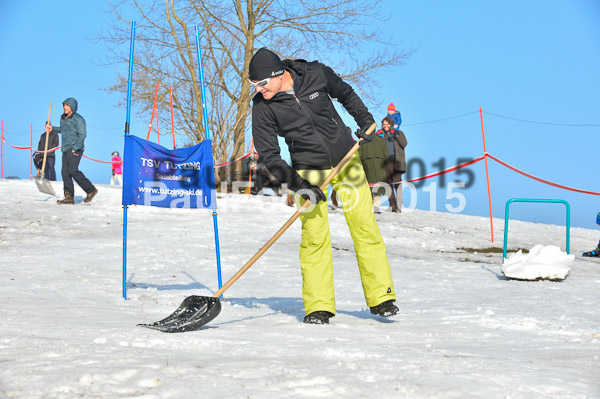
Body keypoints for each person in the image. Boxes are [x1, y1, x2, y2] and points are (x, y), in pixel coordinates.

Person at [249, 47, 398, 324]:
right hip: (308, 169)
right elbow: (269, 155)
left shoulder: (315, 73)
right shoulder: (262, 108)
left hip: (347, 159)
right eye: (253, 85)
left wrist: (365, 120)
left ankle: (382, 298)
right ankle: (319, 306)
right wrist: (299, 184)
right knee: (314, 237)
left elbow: (346, 94)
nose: (258, 90)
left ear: (278, 74)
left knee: (365, 226)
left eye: (261, 83)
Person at [46, 98, 98, 205]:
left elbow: (82, 134)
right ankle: (69, 196)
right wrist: (53, 129)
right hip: (65, 148)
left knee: (73, 170)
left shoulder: (78, 119)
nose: (65, 107)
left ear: (72, 107)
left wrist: (76, 147)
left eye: (67, 106)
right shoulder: (63, 118)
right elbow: (63, 130)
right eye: (64, 105)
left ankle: (90, 190)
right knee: (65, 172)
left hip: (75, 148)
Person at [378, 117, 407, 213]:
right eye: (384, 124)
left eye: (387, 124)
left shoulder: (399, 133)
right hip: (384, 162)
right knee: (388, 184)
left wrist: (397, 136)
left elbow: (404, 144)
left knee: (397, 183)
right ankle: (392, 205)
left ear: (391, 124)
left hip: (396, 161)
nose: (385, 126)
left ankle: (399, 205)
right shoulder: (380, 135)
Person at [358, 133, 388, 213]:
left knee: (368, 187)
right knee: (378, 187)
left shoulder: (362, 141)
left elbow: (359, 155)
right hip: (380, 164)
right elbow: (386, 155)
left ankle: (368, 207)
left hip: (366, 164)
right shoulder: (381, 140)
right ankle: (376, 207)